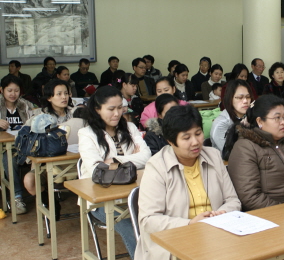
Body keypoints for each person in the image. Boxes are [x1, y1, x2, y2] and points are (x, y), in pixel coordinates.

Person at [135, 104, 241, 260]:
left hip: (217, 235)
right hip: (174, 242)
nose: (195, 142)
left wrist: (221, 215)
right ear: (170, 141)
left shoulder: (213, 156)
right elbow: (148, 220)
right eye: (186, 137)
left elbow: (233, 200)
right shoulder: (157, 167)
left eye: (198, 133)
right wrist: (190, 224)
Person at [79, 86, 151, 258]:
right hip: (102, 201)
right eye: (111, 109)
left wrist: (114, 161)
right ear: (97, 110)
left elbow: (147, 156)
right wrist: (132, 160)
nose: (117, 113)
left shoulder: (130, 128)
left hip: (133, 195)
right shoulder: (86, 134)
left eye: (120, 107)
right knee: (131, 228)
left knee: (159, 221)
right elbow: (98, 169)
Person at [227, 94, 284, 211]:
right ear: (260, 121)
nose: (283, 122)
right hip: (268, 213)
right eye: (277, 118)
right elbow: (249, 196)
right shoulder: (246, 147)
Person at [22, 79, 75, 217]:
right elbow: (26, 141)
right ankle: (48, 201)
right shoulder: (39, 118)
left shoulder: (76, 114)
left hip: (75, 165)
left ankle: (94, 212)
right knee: (29, 181)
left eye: (66, 93)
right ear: (49, 97)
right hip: (48, 167)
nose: (64, 97)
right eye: (59, 94)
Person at [1, 75, 39, 214]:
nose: (13, 94)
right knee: (9, 159)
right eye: (9, 90)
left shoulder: (25, 104)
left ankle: (41, 192)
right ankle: (17, 197)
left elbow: (37, 119)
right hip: (5, 148)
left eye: (16, 90)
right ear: (2, 90)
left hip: (25, 145)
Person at [210, 80, 252, 151]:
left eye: (248, 97)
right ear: (230, 98)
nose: (245, 101)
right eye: (240, 97)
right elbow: (230, 153)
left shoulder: (248, 117)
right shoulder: (221, 124)